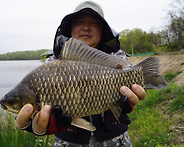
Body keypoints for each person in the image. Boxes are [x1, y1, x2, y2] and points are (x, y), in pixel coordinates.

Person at [15, 1, 146, 146]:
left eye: (94, 22)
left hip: (116, 141)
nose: (86, 27)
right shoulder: (51, 64)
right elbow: (25, 106)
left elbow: (132, 79)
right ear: (70, 27)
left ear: (103, 29)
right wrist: (31, 123)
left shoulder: (117, 59)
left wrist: (131, 95)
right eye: (79, 22)